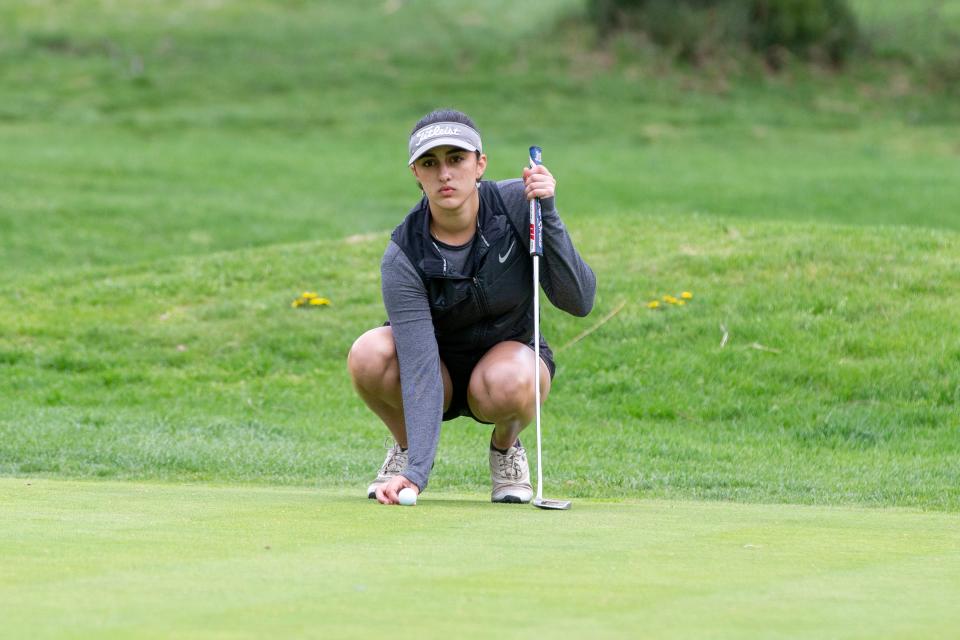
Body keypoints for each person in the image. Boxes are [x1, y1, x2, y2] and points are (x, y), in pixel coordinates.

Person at [347, 108, 596, 505]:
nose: (445, 173)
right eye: (430, 163)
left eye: (456, 159)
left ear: (480, 164)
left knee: (515, 378)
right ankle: (406, 452)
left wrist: (546, 214)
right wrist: (417, 475)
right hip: (437, 372)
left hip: (505, 364)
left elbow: (579, 300)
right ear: (416, 173)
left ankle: (505, 449)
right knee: (368, 353)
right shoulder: (403, 255)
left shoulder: (519, 203)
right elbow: (420, 367)